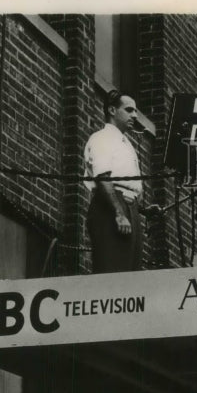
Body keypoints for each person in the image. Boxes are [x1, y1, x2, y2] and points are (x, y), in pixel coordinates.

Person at [84, 89, 151, 273]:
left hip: (130, 207)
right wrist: (119, 213)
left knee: (131, 271)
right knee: (112, 270)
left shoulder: (126, 143)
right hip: (111, 206)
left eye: (136, 111)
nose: (134, 115)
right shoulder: (102, 138)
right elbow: (103, 177)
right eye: (129, 110)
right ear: (112, 111)